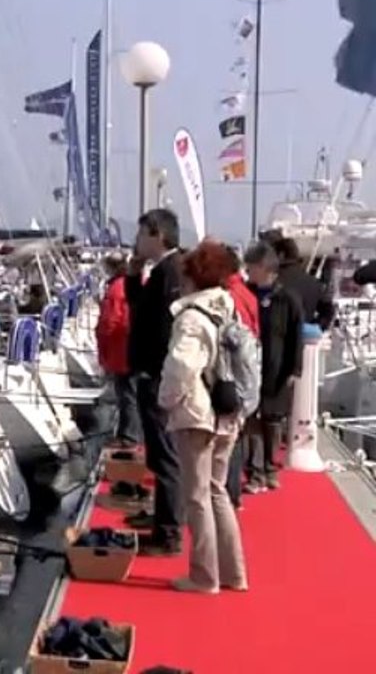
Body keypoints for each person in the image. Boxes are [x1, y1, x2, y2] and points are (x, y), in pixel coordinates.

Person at [158, 240, 248, 594]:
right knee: (217, 491)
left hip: (198, 413)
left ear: (193, 277)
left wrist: (166, 399)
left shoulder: (192, 318)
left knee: (196, 496)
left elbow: (181, 366)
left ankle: (204, 575)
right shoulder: (228, 309)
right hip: (228, 409)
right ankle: (234, 572)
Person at [124, 208, 184, 555]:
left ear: (157, 235)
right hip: (152, 374)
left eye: (141, 234)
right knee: (158, 453)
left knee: (165, 456)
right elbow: (141, 310)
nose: (137, 241)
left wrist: (154, 371)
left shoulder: (171, 272)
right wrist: (133, 277)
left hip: (158, 375)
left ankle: (169, 532)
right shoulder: (160, 272)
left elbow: (165, 327)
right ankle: (163, 519)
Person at [243, 242, 303, 493]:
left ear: (264, 267)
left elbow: (296, 336)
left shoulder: (287, 299)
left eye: (252, 267)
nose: (248, 271)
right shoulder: (247, 294)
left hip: (277, 367)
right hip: (251, 365)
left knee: (273, 420)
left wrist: (295, 369)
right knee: (252, 420)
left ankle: (269, 467)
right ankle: (254, 471)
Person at [223, 245, 260, 510]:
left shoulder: (230, 297)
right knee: (236, 436)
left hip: (232, 374)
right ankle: (232, 493)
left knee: (229, 438)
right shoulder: (246, 294)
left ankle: (229, 494)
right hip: (246, 373)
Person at [96, 252, 141, 447]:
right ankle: (127, 432)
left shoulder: (116, 289)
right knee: (129, 392)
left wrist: (102, 340)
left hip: (120, 349)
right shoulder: (127, 285)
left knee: (126, 394)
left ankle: (129, 436)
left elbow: (110, 321)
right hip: (130, 346)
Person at [273, 237, 334, 331]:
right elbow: (328, 311)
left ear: (281, 256)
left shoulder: (268, 281)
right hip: (301, 335)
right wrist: (314, 328)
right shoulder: (314, 283)